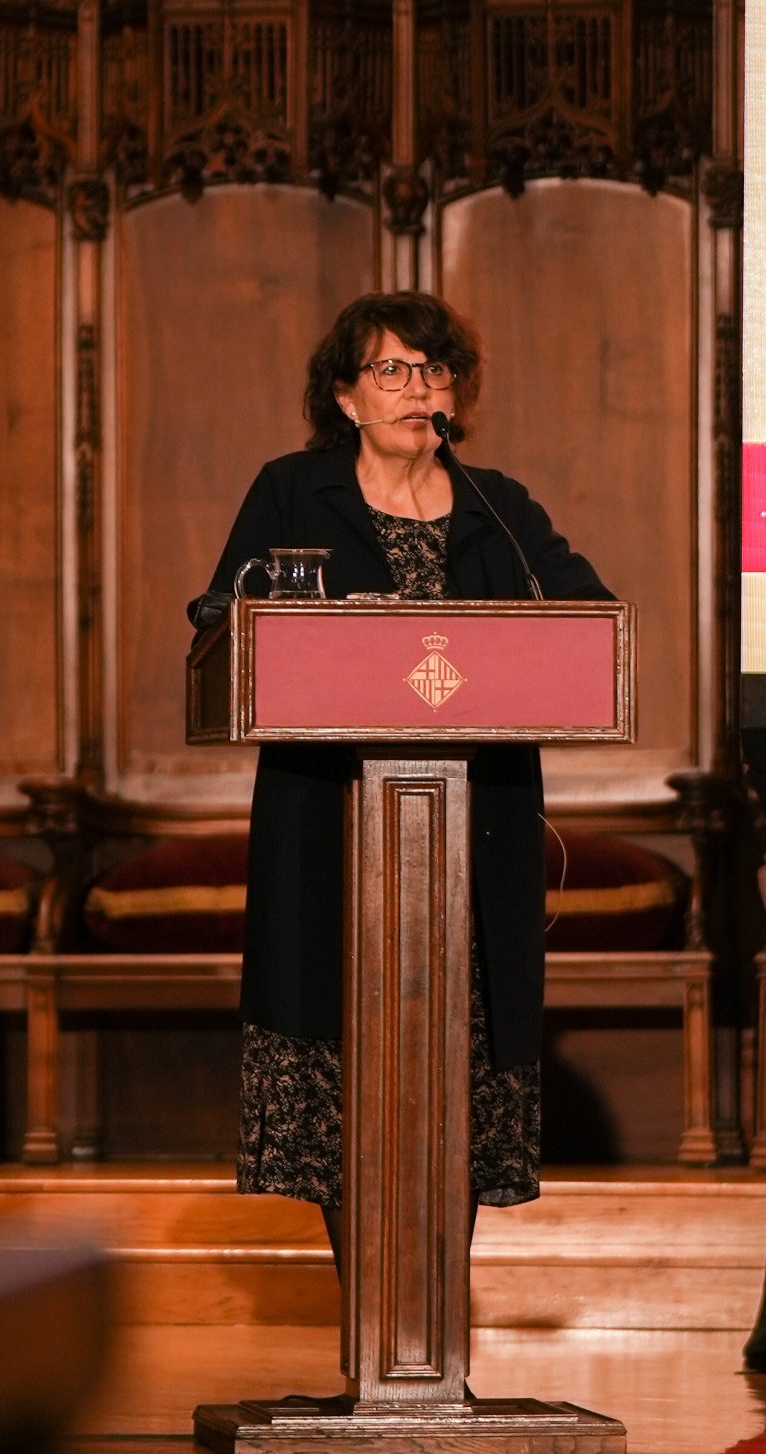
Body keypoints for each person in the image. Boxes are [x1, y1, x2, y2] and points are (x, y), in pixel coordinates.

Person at [189, 290, 610, 1270]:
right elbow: (223, 617)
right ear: (345, 396)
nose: (419, 389)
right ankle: (370, 1310)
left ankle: (437, 1313)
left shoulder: (497, 505)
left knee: (462, 1068)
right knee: (342, 1072)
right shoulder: (292, 490)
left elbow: (587, 614)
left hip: (478, 835)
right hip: (329, 825)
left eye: (435, 371)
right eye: (392, 370)